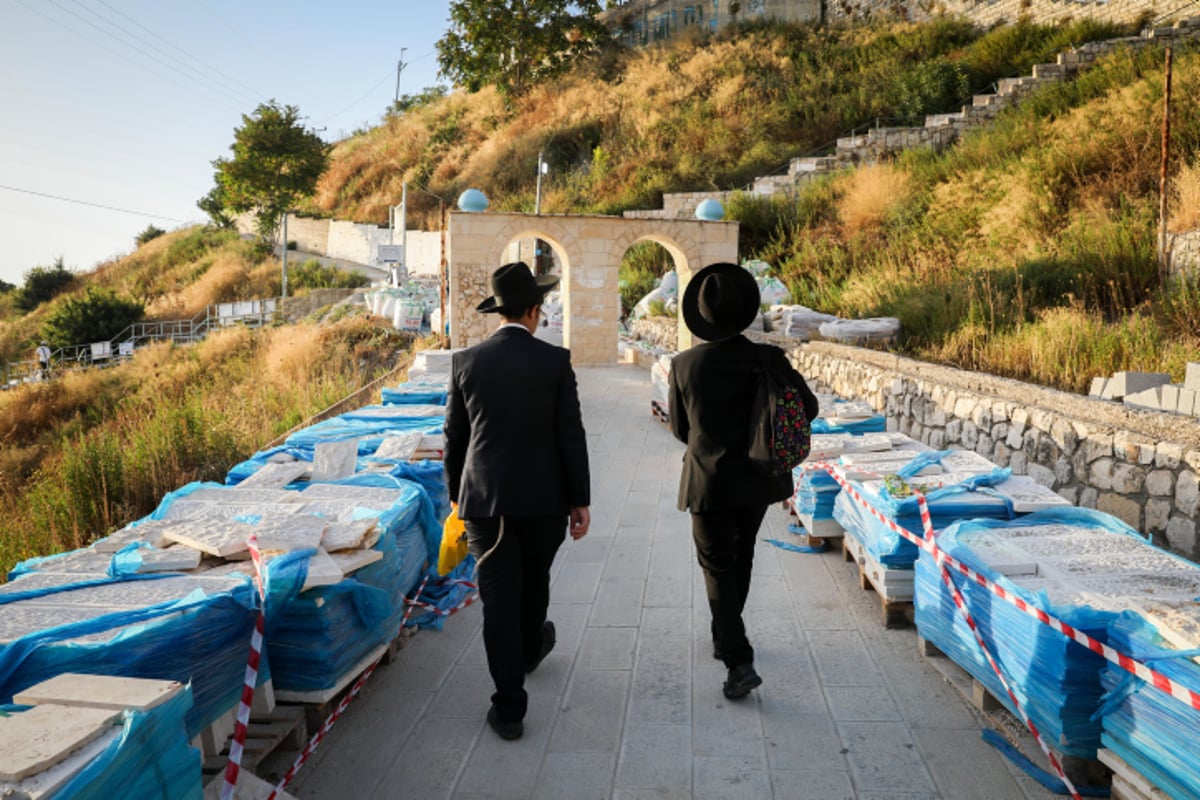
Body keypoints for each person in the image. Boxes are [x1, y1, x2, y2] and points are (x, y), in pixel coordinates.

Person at [443, 261, 591, 741]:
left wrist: (455, 499)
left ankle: (509, 709)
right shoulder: (555, 362)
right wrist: (579, 500)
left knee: (498, 601)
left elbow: (455, 442)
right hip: (546, 502)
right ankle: (530, 649)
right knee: (535, 578)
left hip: (486, 504)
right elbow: (571, 434)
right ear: (533, 310)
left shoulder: (466, 362)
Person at [668, 262, 819, 700]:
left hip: (708, 481)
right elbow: (806, 408)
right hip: (757, 478)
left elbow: (680, 429)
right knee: (743, 554)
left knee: (716, 565)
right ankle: (725, 637)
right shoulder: (767, 359)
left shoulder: (684, 365)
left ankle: (738, 660)